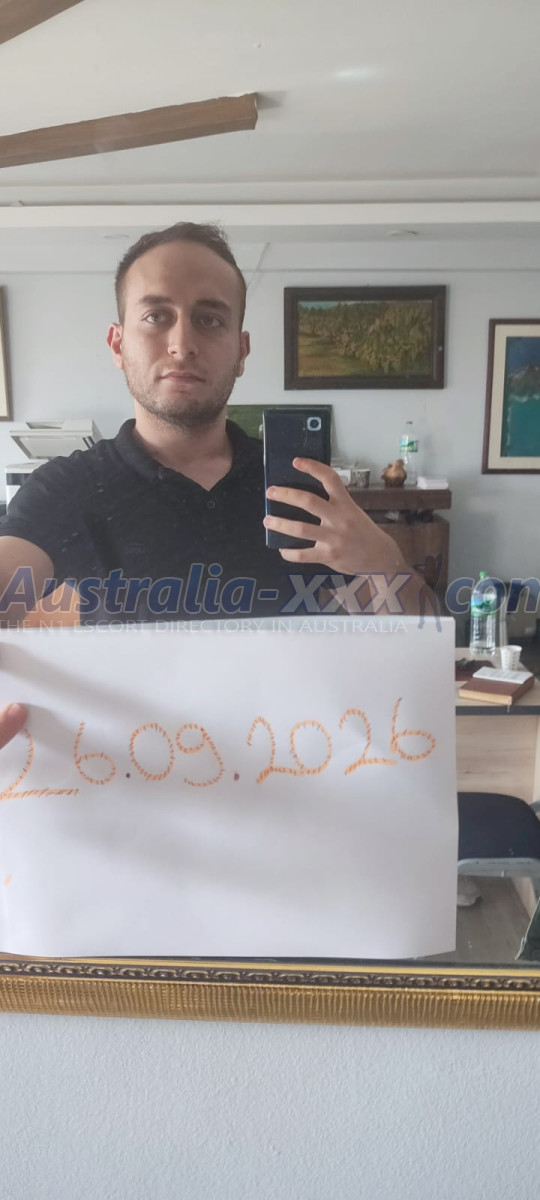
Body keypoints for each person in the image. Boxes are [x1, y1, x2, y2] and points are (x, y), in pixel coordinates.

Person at [0, 221, 424, 628]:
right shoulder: (66, 487)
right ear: (117, 344)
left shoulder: (301, 485)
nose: (182, 345)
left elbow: (417, 639)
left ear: (241, 351)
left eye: (209, 319)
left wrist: (386, 563)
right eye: (156, 316)